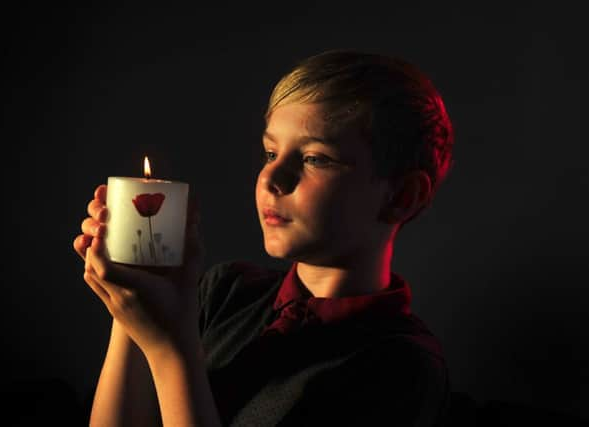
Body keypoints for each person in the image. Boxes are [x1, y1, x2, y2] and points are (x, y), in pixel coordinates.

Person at [73, 49, 455, 426]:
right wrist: (131, 291)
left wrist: (167, 348)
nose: (272, 179)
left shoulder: (401, 368)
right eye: (271, 152)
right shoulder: (225, 294)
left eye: (315, 158)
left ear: (402, 197)